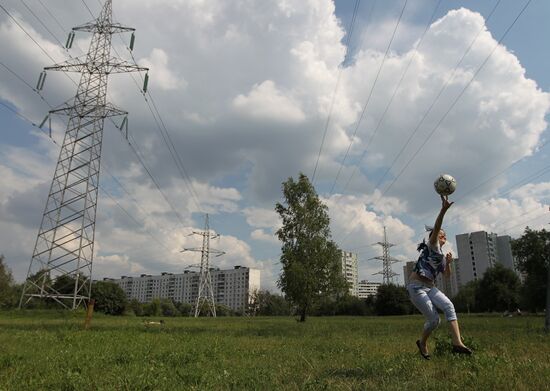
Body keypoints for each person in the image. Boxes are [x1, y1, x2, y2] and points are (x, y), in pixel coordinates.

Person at [407, 195, 472, 359]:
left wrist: (448, 263)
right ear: (434, 237)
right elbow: (437, 227)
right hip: (416, 287)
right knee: (434, 320)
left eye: (444, 234)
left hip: (430, 287)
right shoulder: (432, 245)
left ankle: (457, 343)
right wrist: (443, 210)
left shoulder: (441, 256)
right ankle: (422, 343)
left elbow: (447, 276)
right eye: (440, 234)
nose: (443, 235)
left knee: (449, 306)